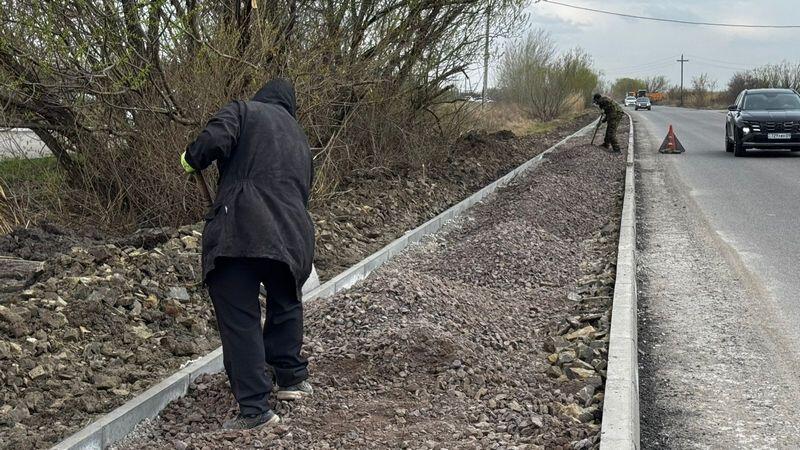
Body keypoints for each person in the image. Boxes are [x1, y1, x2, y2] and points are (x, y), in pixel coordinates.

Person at [180, 78, 315, 430]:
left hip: (241, 227)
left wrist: (191, 158)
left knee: (239, 314)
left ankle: (255, 410)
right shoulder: (300, 139)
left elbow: (212, 141)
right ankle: (291, 379)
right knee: (285, 302)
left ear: (262, 98)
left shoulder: (243, 111)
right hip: (293, 234)